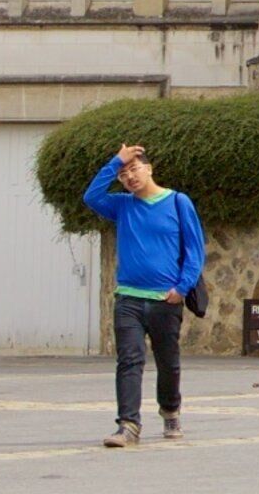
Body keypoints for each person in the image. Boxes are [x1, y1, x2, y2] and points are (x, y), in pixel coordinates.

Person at [81, 140, 204, 447]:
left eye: (134, 170)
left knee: (168, 362)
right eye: (124, 175)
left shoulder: (178, 202)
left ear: (149, 169)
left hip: (165, 299)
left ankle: (170, 409)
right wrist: (115, 161)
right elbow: (91, 196)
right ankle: (128, 425)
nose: (130, 178)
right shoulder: (122, 205)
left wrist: (182, 288)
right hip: (129, 299)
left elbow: (194, 250)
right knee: (129, 360)